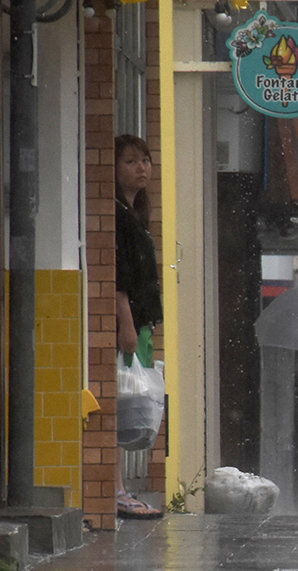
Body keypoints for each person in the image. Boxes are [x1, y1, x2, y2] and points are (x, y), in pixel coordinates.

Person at [114, 135, 164, 521]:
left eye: (145, 160)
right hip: (127, 328)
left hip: (141, 326)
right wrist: (127, 327)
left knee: (128, 402)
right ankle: (115, 489)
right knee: (118, 403)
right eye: (131, 161)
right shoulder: (117, 217)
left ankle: (120, 488)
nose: (142, 167)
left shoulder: (135, 215)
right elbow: (120, 280)